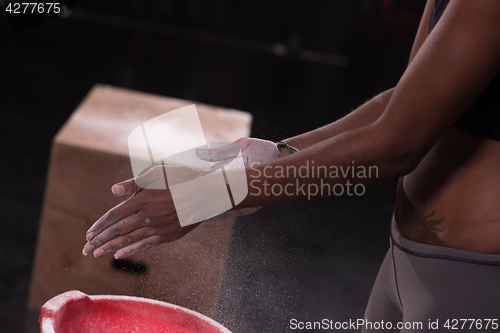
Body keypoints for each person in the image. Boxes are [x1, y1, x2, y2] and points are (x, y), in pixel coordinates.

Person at [82, 0, 500, 331]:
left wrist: (207, 197)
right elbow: (411, 98)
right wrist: (281, 152)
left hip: (473, 278)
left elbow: (396, 147)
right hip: (405, 260)